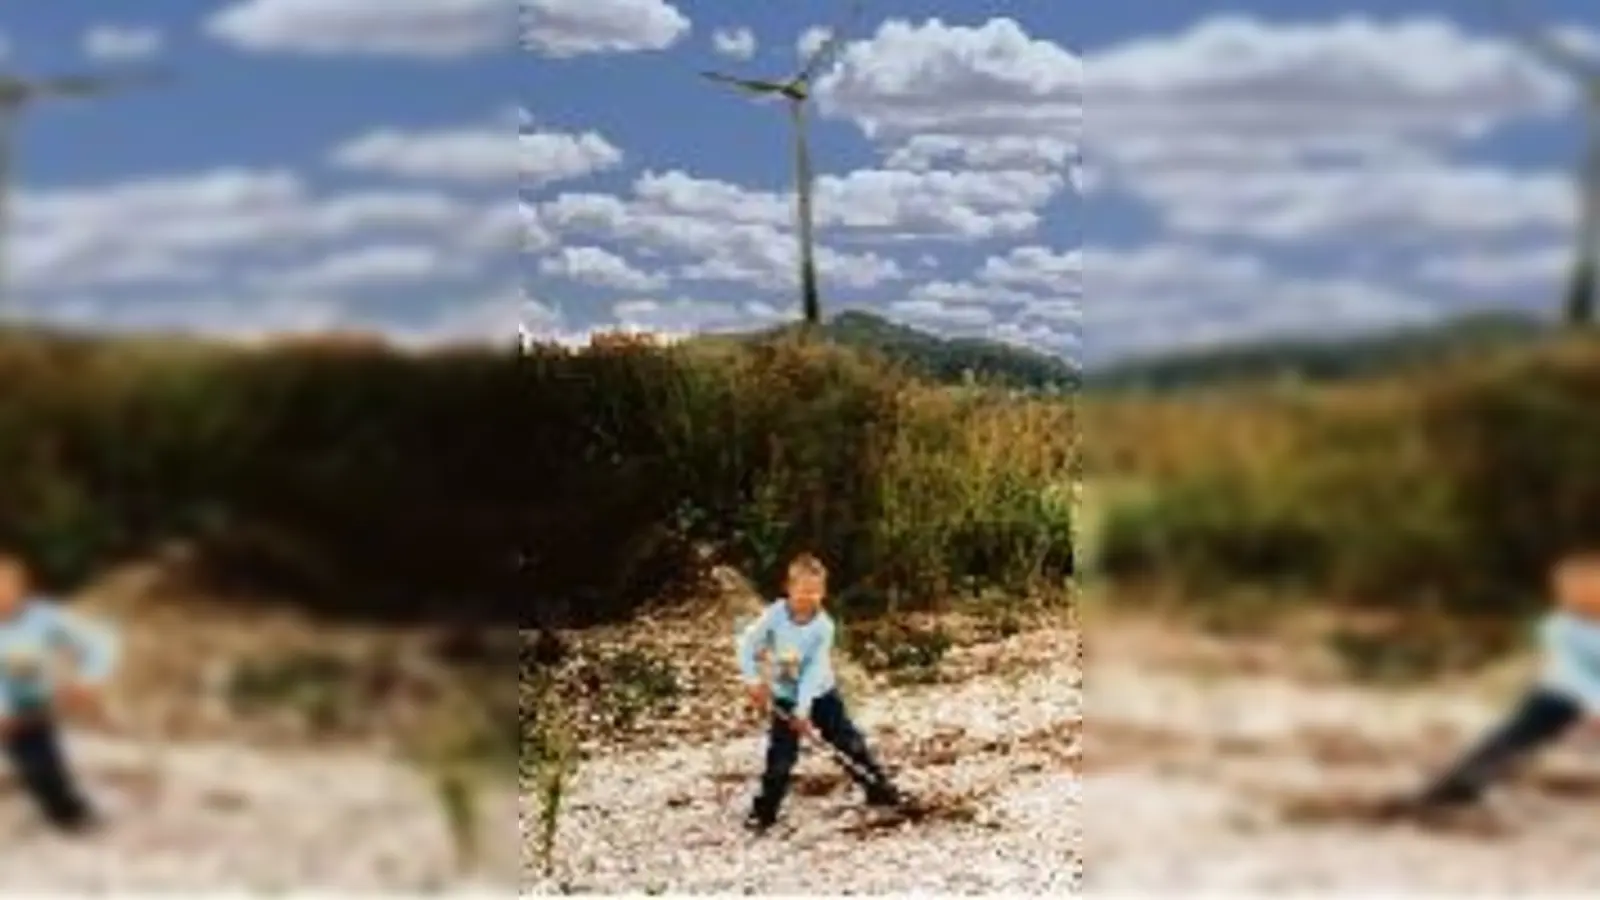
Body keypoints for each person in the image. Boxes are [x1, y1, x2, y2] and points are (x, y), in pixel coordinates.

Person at [1399, 550, 1600, 814]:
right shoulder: (1560, 626)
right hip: (1557, 695)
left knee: (1514, 742)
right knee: (1511, 741)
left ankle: (1460, 787)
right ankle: (1457, 788)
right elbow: (1574, 673)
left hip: (1579, 697)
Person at [735, 552, 904, 834]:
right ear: (788, 588)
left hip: (821, 693)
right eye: (802, 591)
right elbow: (746, 645)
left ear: (823, 592)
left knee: (848, 743)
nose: (808, 597)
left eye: (815, 592)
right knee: (780, 758)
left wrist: (803, 712)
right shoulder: (775, 615)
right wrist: (753, 681)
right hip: (784, 696)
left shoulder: (823, 627)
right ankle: (763, 812)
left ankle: (880, 789)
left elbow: (813, 672)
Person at [0, 549, 119, 832]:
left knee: (42, 766)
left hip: (29, 708)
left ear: (23, 589)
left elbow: (100, 641)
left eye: (7, 587)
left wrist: (88, 680)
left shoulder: (45, 618)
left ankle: (70, 816)